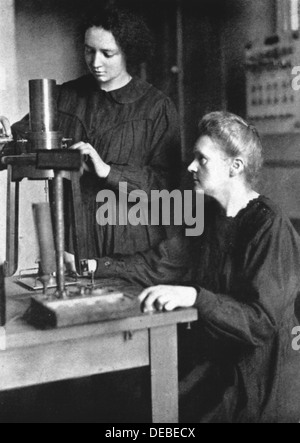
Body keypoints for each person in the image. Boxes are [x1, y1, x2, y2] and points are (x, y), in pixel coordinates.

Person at [87, 111, 300, 423]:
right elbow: (159, 264)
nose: (190, 167)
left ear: (235, 167)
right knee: (127, 398)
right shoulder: (207, 216)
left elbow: (261, 321)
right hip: (220, 366)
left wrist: (194, 297)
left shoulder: (269, 225)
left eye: (202, 159)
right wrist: (94, 265)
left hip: (261, 382)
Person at [0, 5, 181, 260]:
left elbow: (168, 188)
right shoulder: (62, 98)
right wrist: (4, 138)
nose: (95, 62)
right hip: (73, 246)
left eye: (107, 53)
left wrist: (108, 171)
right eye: (89, 51)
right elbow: (16, 146)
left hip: (130, 247)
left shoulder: (156, 108)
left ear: (128, 51)